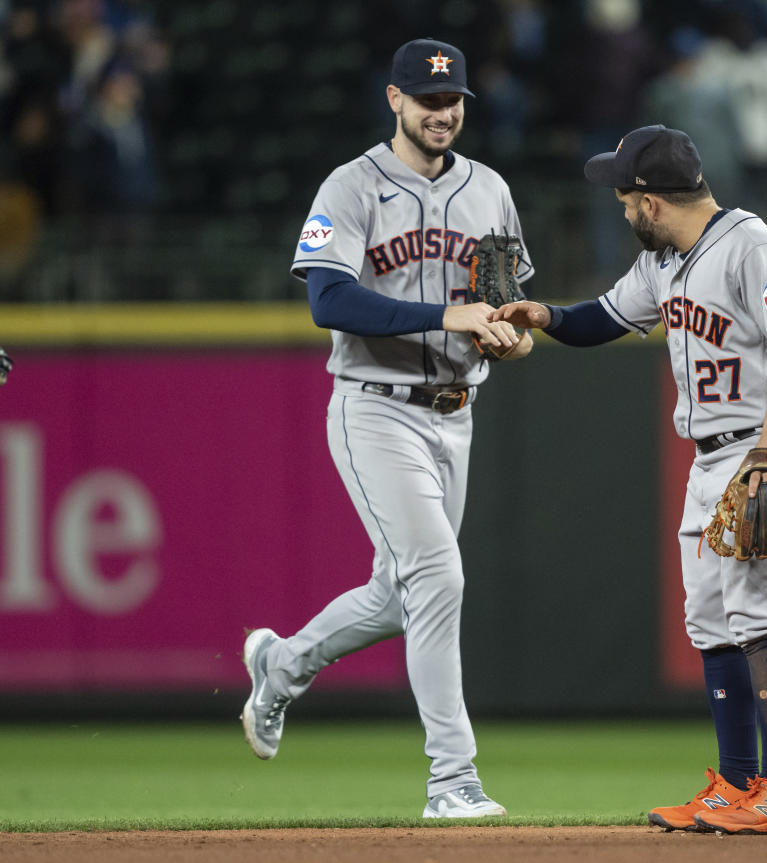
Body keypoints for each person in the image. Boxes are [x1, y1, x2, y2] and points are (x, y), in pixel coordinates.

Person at [490, 125, 767, 835]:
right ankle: (737, 785)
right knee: (711, 622)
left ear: (649, 200)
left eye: (623, 195)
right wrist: (545, 315)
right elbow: (603, 320)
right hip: (709, 460)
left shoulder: (753, 246)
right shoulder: (664, 263)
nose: (618, 207)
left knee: (762, 617)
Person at [239, 37, 532, 820]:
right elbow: (328, 301)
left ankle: (282, 661)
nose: (443, 112)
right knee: (438, 575)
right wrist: (447, 313)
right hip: (375, 406)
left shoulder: (490, 191)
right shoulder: (351, 186)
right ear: (395, 100)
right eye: (428, 99)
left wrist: (511, 331)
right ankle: (453, 778)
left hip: (457, 411)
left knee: (402, 593)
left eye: (453, 100)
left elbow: (502, 304)